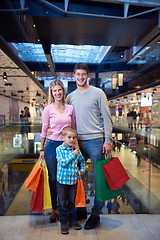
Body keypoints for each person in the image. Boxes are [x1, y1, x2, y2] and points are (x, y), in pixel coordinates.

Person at [66, 63, 113, 230]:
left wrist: (107, 140)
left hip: (96, 141)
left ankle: (95, 215)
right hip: (76, 142)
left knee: (99, 179)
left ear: (88, 76)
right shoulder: (70, 97)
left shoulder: (98, 93)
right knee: (75, 178)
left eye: (83, 74)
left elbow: (106, 118)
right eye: (78, 74)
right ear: (74, 76)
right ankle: (80, 209)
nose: (80, 77)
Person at [39, 80, 76, 223]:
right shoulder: (48, 109)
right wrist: (41, 149)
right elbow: (44, 130)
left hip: (66, 147)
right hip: (51, 146)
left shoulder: (70, 109)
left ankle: (64, 209)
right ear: (51, 93)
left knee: (65, 179)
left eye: (59, 90)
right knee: (53, 178)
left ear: (63, 91)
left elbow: (73, 129)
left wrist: (76, 147)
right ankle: (55, 209)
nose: (57, 93)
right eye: (54, 91)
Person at [56, 126, 86, 234]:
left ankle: (74, 221)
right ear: (63, 138)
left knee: (73, 202)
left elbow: (82, 161)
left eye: (74, 137)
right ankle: (64, 222)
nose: (72, 140)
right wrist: (73, 154)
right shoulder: (59, 149)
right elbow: (63, 163)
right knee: (63, 202)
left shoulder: (76, 150)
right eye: (69, 137)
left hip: (73, 182)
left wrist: (82, 170)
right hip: (62, 182)